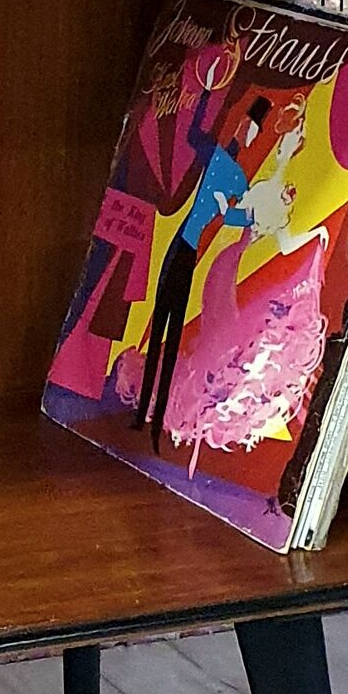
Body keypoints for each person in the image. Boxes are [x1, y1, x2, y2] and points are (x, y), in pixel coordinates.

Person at [135, 95, 270, 442]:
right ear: (240, 125)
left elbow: (236, 217)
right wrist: (208, 92)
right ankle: (141, 413)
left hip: (190, 251)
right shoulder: (215, 156)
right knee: (161, 317)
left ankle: (157, 416)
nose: (246, 133)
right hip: (178, 244)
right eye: (245, 126)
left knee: (174, 328)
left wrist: (253, 215)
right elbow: (192, 133)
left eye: (252, 130)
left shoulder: (239, 180)